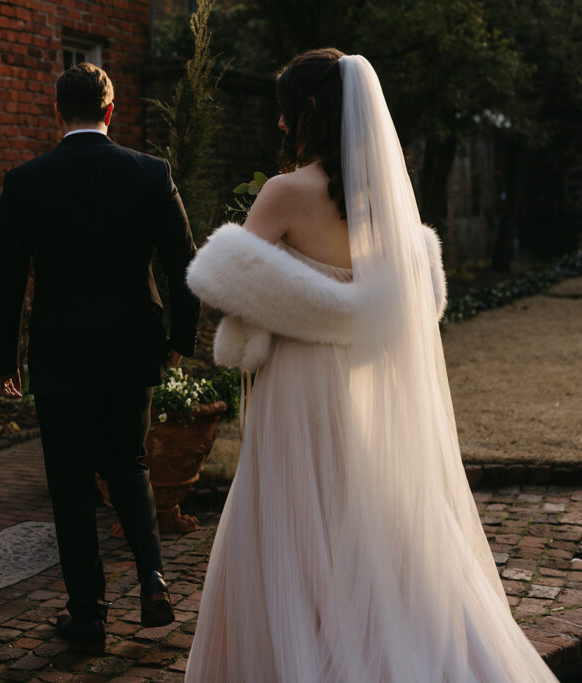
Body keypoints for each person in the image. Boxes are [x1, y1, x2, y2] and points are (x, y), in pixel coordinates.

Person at [184, 49, 557, 681]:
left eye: (282, 113)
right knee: (359, 515)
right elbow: (415, 299)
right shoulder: (387, 201)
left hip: (298, 386)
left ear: (305, 112)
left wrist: (275, 307)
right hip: (356, 385)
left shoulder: (283, 193)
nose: (278, 126)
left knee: (293, 523)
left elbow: (225, 278)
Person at [0, 62, 201, 651]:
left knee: (72, 485)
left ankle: (87, 617)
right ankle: (152, 579)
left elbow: (4, 279)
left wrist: (3, 360)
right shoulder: (150, 173)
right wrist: (181, 340)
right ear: (110, 112)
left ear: (58, 113)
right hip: (134, 348)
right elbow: (185, 266)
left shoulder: (26, 181)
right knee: (129, 463)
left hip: (60, 355)